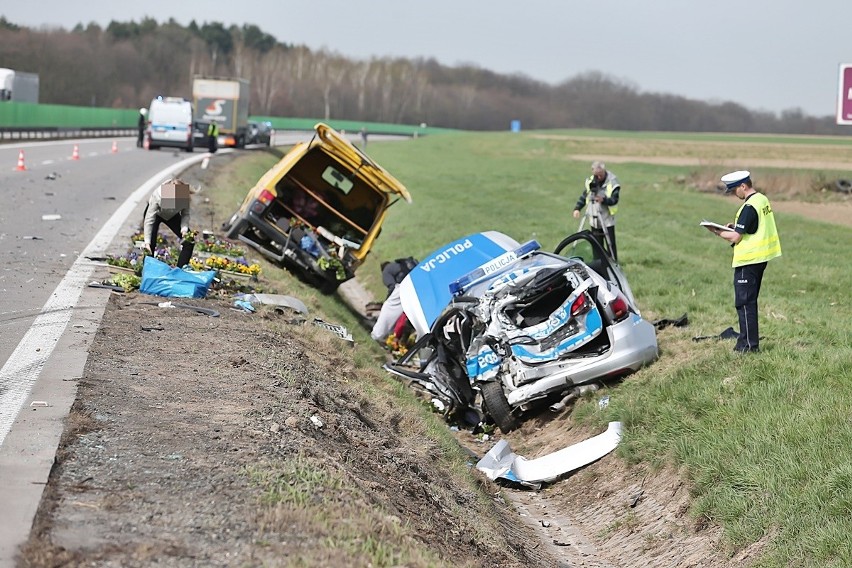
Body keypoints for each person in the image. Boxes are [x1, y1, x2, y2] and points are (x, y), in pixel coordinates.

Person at [704, 170, 782, 353]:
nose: (733, 194)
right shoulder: (761, 199)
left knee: (745, 304)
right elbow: (753, 226)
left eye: (733, 191)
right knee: (749, 302)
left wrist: (714, 230)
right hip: (760, 258)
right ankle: (746, 343)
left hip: (748, 260)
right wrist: (735, 226)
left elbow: (736, 238)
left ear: (743, 186)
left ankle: (748, 347)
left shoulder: (749, 206)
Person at [572, 161, 620, 261]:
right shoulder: (591, 181)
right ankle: (598, 262)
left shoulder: (612, 182)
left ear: (604, 171)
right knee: (596, 243)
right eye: (596, 175)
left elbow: (615, 200)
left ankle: (614, 262)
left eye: (600, 175)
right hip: (594, 218)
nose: (598, 178)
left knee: (610, 243)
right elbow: (585, 196)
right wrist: (577, 208)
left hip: (607, 219)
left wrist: (604, 200)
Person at [143, 179, 195, 267]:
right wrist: (147, 242)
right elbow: (149, 219)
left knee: (189, 241)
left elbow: (185, 214)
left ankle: (180, 270)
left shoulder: (184, 195)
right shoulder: (158, 195)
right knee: (150, 245)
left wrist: (184, 229)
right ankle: (147, 271)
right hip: (156, 214)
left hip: (172, 215)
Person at [370, 257, 418, 342]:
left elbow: (392, 286)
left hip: (404, 288)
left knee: (388, 308)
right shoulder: (400, 265)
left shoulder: (386, 271)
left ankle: (377, 335)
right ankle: (393, 338)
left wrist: (387, 300)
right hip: (415, 288)